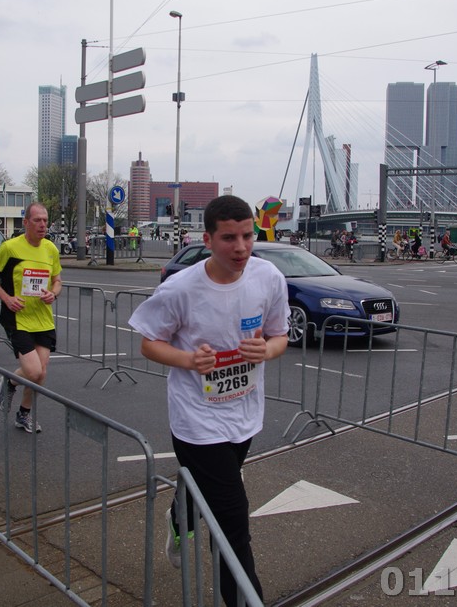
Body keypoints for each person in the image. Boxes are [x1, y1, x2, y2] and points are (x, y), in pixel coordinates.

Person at [128, 195, 289, 607]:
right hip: (196, 422)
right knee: (233, 520)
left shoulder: (268, 278)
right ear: (208, 240)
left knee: (206, 492)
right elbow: (149, 343)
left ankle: (179, 517)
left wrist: (267, 350)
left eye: (247, 236)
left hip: (244, 415)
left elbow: (280, 336)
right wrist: (189, 360)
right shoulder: (181, 288)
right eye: (229, 238)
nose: (241, 247)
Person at [0, 202, 62, 434]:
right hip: (17, 318)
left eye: (45, 220)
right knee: (34, 372)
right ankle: (9, 381)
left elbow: (58, 281)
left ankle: (23, 413)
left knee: (40, 373)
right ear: (26, 222)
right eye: (37, 220)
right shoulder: (10, 248)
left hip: (43, 319)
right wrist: (7, 299)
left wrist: (53, 293)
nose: (42, 225)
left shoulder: (51, 249)